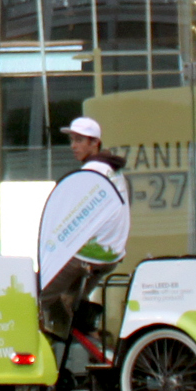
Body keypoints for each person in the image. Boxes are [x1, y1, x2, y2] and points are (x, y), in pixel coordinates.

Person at [38, 116, 129, 344]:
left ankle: (53, 342)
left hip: (88, 254)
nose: (73, 146)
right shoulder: (113, 170)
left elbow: (72, 217)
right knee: (68, 304)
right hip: (111, 254)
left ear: (94, 143)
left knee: (38, 296)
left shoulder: (92, 170)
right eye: (72, 140)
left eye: (79, 140)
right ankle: (88, 336)